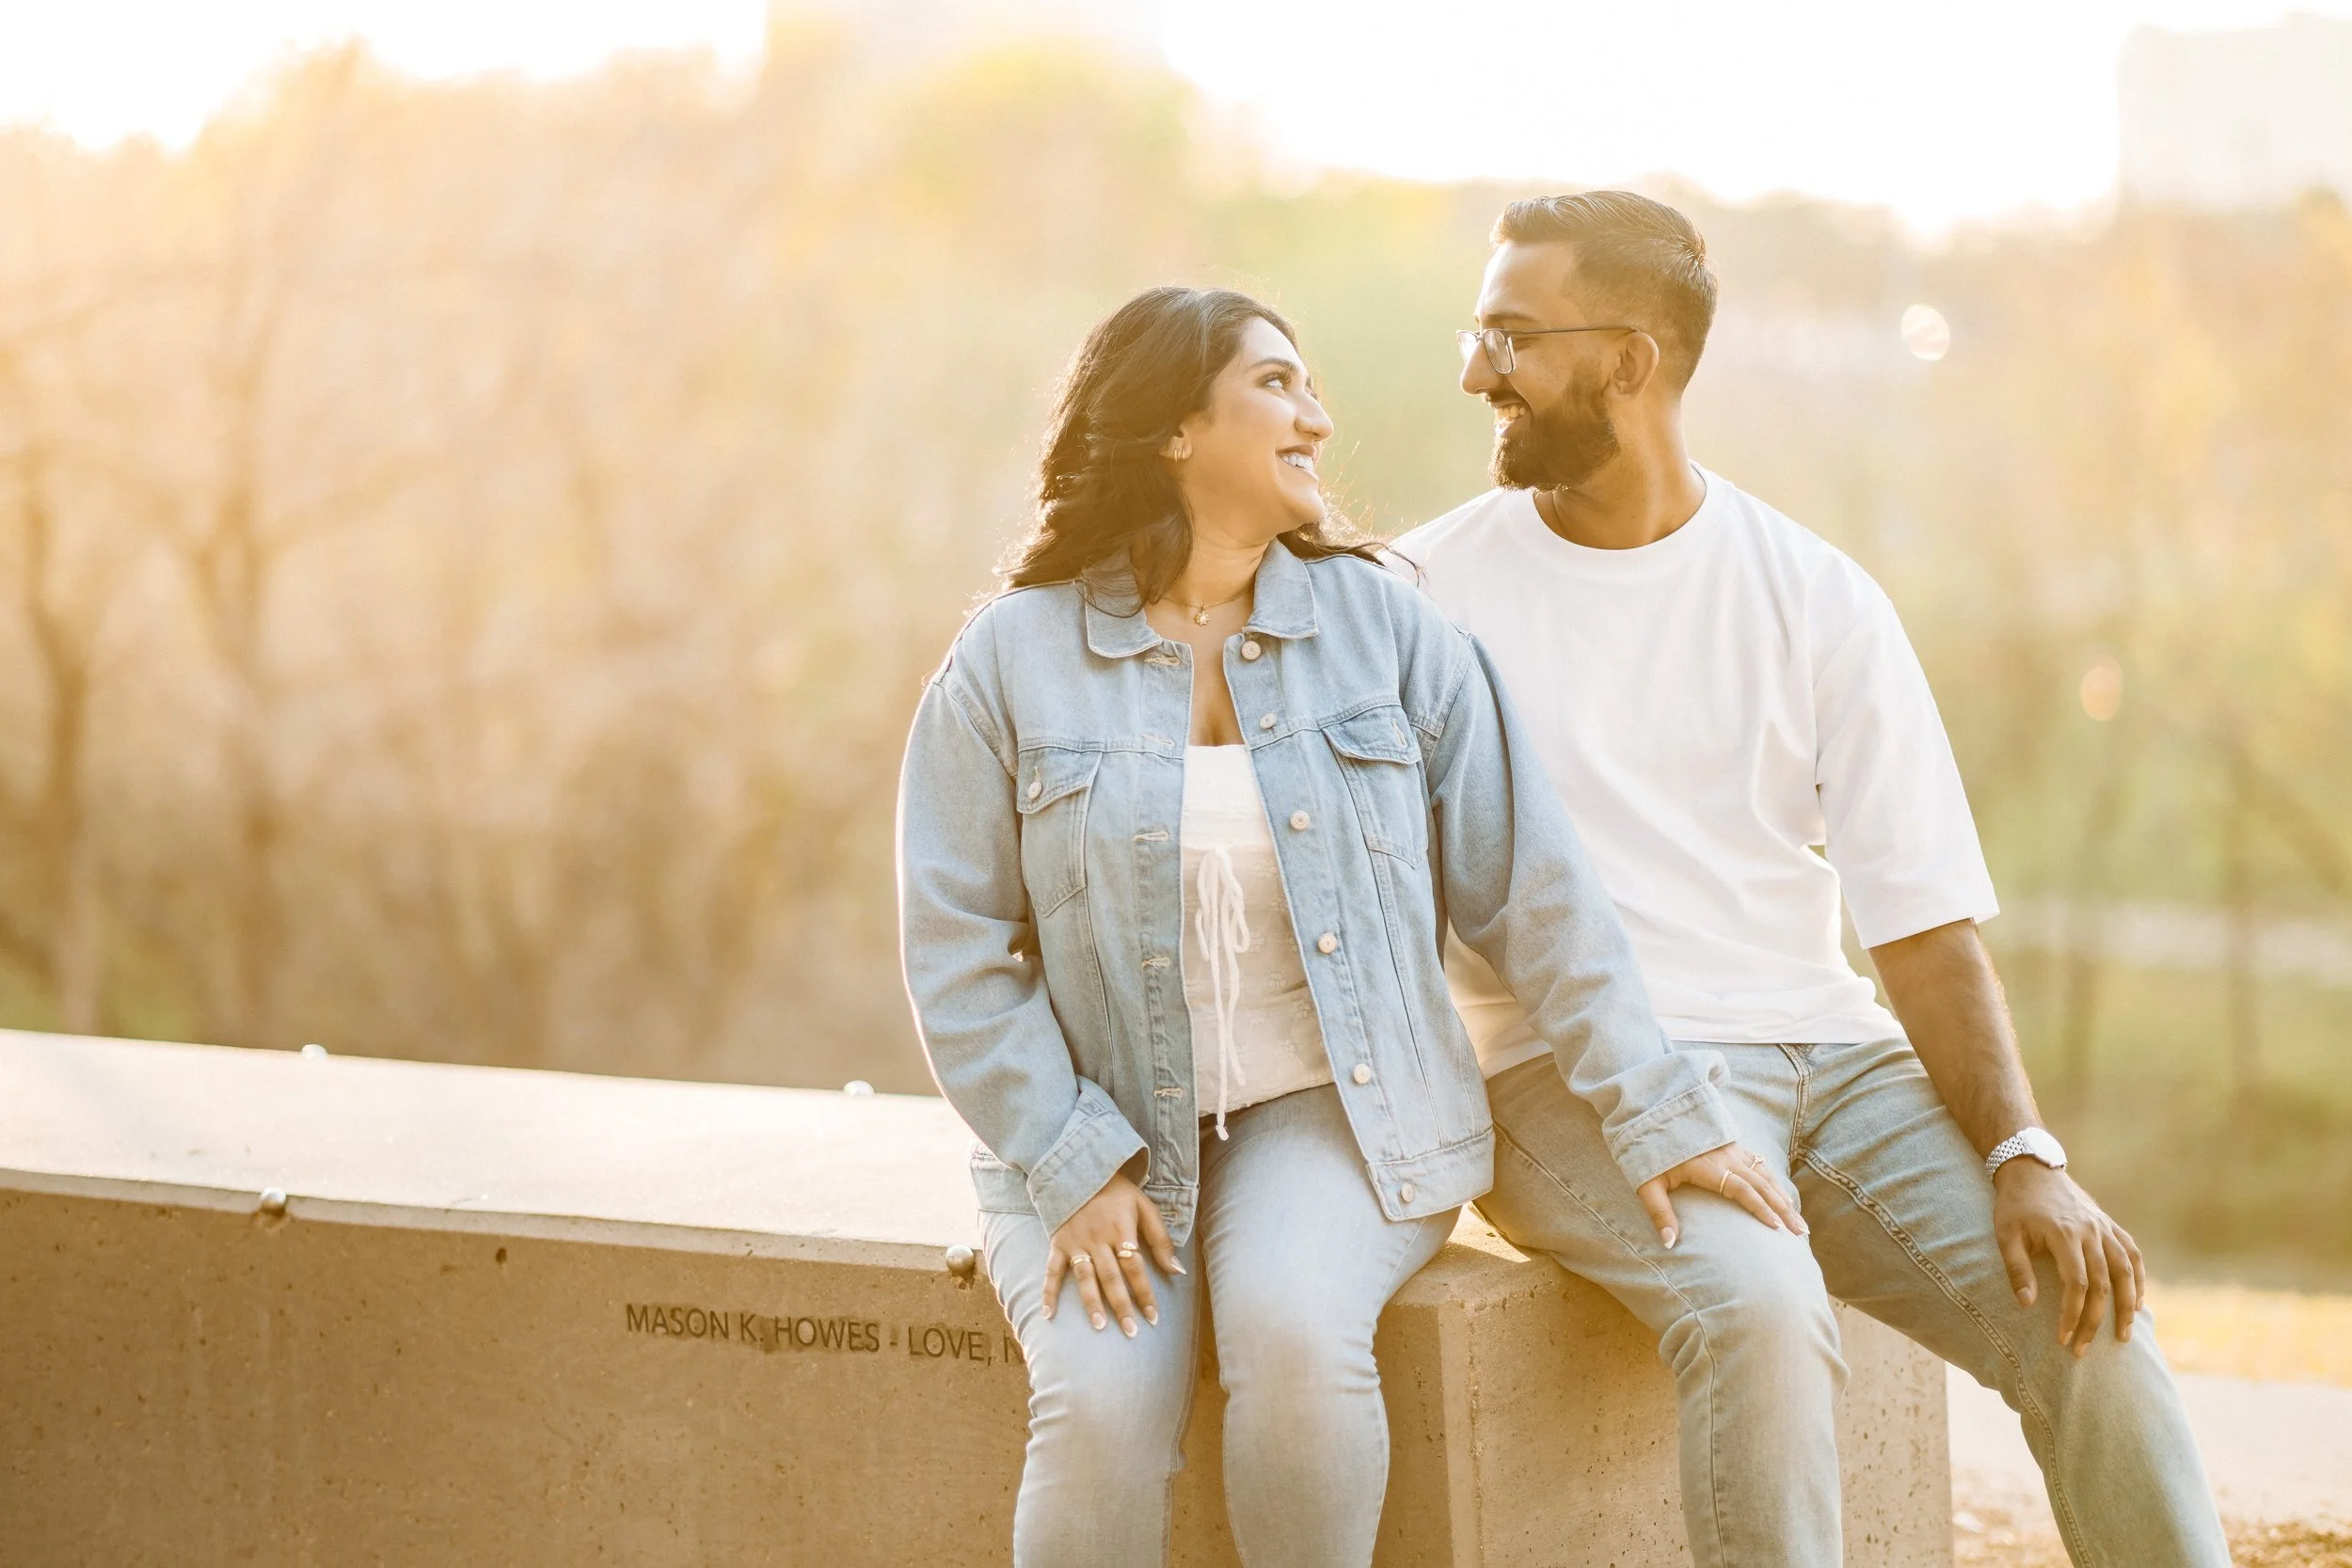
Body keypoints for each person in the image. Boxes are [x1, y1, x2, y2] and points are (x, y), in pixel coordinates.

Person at [1389, 190, 2231, 1568]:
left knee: (2089, 1312)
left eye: (1510, 335)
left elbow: (1923, 921)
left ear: (1631, 361)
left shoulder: (1814, 594)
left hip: (1833, 1062)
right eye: (1479, 330)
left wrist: (2026, 1154)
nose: (1475, 368)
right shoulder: (1425, 595)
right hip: (1579, 1072)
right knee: (1762, 1310)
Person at [896, 284, 1793, 1568]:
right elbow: (958, 946)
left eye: (1310, 383)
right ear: (1173, 430)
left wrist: (1656, 1107)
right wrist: (1070, 1158)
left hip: (1337, 1105)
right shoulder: (1008, 662)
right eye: (1275, 384)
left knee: (1297, 1337)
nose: (1317, 414)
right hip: (1096, 1123)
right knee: (1098, 1405)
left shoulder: (1390, 632)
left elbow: (1534, 892)